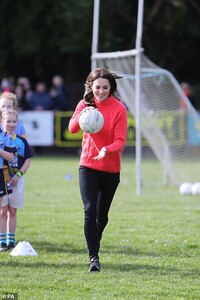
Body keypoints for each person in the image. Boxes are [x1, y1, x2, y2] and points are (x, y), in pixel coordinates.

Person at [68, 68, 127, 272]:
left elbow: (120, 140)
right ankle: (94, 258)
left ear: (111, 88)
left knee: (102, 216)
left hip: (110, 168)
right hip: (88, 165)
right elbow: (72, 128)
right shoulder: (85, 104)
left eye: (105, 87)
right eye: (97, 87)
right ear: (91, 87)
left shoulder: (119, 109)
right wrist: (81, 115)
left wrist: (106, 149)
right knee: (89, 210)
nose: (101, 91)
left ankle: (96, 236)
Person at [0, 110, 33, 251]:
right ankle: (2, 242)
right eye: (8, 121)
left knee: (12, 211)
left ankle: (11, 240)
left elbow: (27, 160)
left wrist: (18, 175)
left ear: (17, 123)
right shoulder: (2, 138)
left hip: (16, 181)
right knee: (2, 211)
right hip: (3, 179)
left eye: (14, 121)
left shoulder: (21, 141)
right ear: (2, 122)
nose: (11, 124)